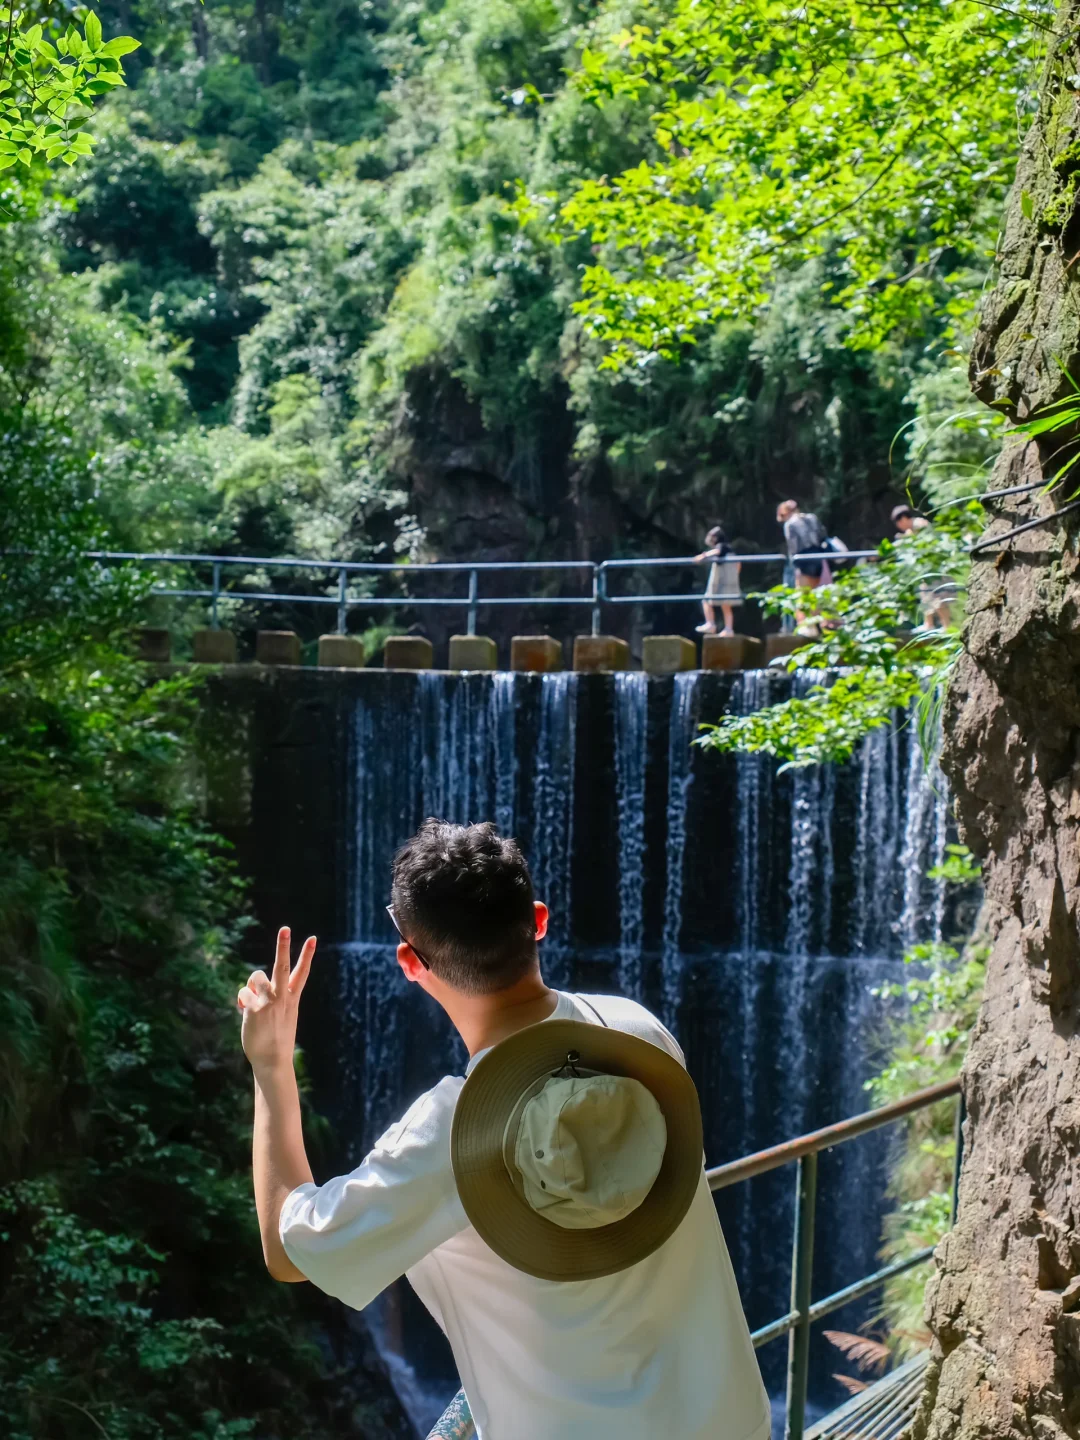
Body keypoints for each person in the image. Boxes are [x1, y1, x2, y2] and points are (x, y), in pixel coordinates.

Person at [238, 820, 771, 1440]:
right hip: (731, 1421)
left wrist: (271, 1066)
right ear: (538, 920)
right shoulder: (641, 1037)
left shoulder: (448, 1137)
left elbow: (288, 1250)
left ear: (410, 963)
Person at [889, 504, 952, 627]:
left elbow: (925, 541)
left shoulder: (920, 524)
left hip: (933, 565)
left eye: (898, 523)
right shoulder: (909, 530)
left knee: (937, 597)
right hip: (923, 567)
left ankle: (946, 626)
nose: (899, 526)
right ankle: (928, 624)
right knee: (926, 596)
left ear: (903, 519)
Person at [777, 499, 830, 634]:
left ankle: (805, 627)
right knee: (815, 593)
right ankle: (816, 625)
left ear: (785, 512)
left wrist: (795, 565)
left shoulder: (790, 524)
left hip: (803, 559)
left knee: (802, 593)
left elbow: (793, 546)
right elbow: (822, 534)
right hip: (817, 557)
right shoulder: (812, 518)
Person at [693, 523, 742, 636]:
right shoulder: (730, 550)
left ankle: (711, 624)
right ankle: (728, 629)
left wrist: (703, 556)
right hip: (726, 578)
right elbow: (739, 564)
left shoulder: (722, 546)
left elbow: (717, 551)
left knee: (708, 600)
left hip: (722, 579)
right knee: (725, 604)